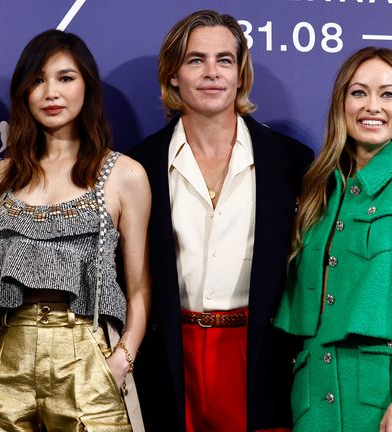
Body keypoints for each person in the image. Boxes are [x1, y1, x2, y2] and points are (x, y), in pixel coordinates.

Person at [129, 10, 314, 432]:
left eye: (224, 60)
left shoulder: (291, 161)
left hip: (260, 358)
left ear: (240, 73)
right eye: (196, 60)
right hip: (171, 360)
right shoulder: (139, 165)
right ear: (173, 74)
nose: (211, 73)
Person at [0, 30, 151, 432]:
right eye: (37, 80)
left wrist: (122, 359)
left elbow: (139, 286)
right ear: (23, 93)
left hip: (87, 351)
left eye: (65, 78)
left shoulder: (124, 175)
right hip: (6, 355)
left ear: (87, 84)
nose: (51, 92)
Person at [274, 46, 392, 432]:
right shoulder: (317, 189)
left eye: (387, 94)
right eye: (359, 92)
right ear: (342, 103)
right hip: (312, 397)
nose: (373, 105)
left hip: (383, 397)